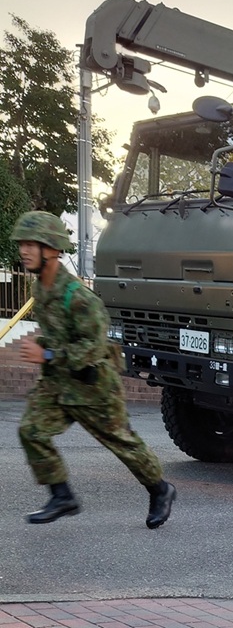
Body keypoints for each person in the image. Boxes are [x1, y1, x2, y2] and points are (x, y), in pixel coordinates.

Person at [12, 211, 176, 529]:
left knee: (123, 444)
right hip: (58, 382)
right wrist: (47, 349)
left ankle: (160, 490)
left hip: (94, 387)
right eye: (22, 244)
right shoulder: (40, 290)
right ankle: (62, 496)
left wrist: (46, 353)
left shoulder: (80, 298)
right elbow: (59, 335)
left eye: (31, 244)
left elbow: (94, 348)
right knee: (31, 430)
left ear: (52, 249)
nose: (24, 250)